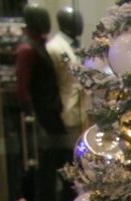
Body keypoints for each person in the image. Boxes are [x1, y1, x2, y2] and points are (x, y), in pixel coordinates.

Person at [12, 7, 68, 201]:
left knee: (59, 174)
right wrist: (34, 118)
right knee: (48, 177)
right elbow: (23, 89)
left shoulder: (37, 46)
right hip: (44, 122)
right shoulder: (27, 49)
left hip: (50, 118)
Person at [46, 8, 86, 145]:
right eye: (76, 20)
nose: (80, 24)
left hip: (84, 110)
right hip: (67, 107)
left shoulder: (80, 46)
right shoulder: (53, 48)